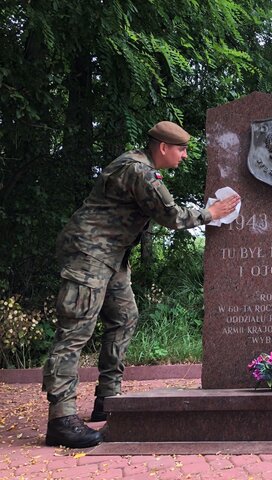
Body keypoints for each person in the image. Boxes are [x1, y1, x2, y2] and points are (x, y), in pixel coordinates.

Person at [43, 121, 240, 448]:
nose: (185, 155)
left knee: (124, 317)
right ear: (162, 147)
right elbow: (172, 216)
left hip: (112, 255)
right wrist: (211, 212)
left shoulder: (138, 165)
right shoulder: (141, 172)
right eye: (181, 149)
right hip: (89, 253)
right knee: (75, 330)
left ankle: (107, 400)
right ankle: (61, 420)